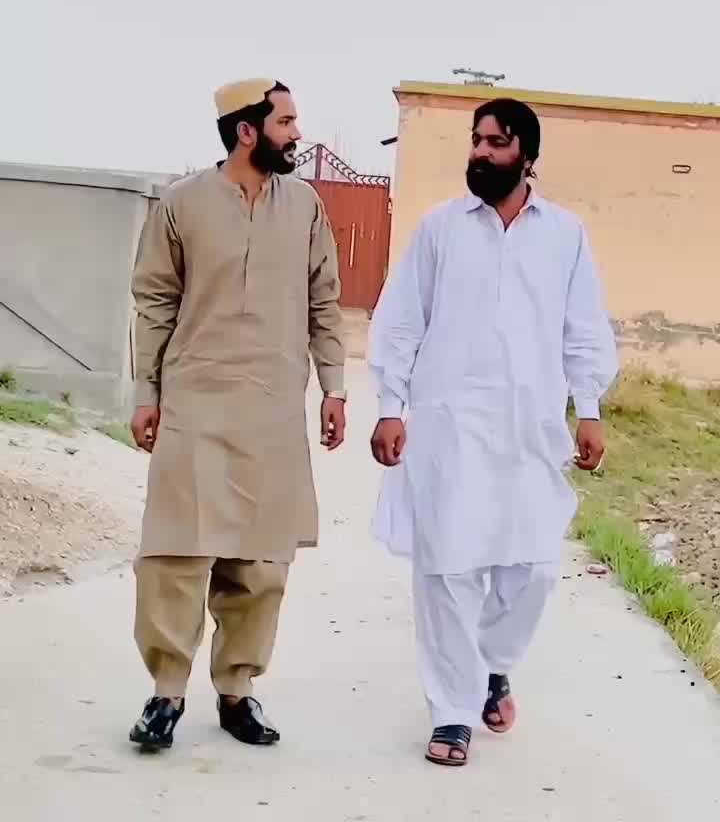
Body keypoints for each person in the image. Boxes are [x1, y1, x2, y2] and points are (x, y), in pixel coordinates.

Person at [368, 98, 617, 767]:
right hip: (448, 427)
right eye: (476, 140)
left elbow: (583, 326)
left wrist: (589, 407)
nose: (480, 152)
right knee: (446, 570)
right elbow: (402, 319)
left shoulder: (563, 234)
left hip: (528, 429)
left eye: (496, 142)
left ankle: (492, 666)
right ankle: (452, 713)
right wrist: (390, 405)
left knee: (532, 568)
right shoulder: (440, 229)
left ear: (526, 156)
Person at [128, 78, 346, 751]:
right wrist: (146, 393)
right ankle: (166, 694)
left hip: (273, 407)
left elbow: (324, 301)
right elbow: (155, 300)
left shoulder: (304, 205)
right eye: (286, 121)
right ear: (247, 131)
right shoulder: (182, 203)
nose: (297, 133)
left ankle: (236, 691)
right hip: (194, 400)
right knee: (176, 553)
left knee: (260, 562)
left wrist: (334, 388)